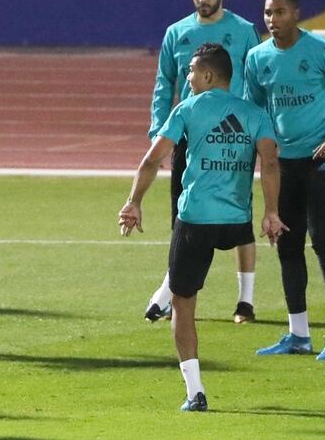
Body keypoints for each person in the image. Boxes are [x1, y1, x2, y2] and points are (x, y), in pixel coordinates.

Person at [119, 43, 287, 411]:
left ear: (208, 75)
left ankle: (195, 392)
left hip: (195, 221)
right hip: (237, 222)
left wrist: (134, 201)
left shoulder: (188, 109)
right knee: (189, 290)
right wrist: (271, 212)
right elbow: (271, 163)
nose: (188, 77)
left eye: (192, 71)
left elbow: (151, 160)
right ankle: (242, 299)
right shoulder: (254, 114)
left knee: (183, 304)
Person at [246, 0, 325, 360]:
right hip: (285, 163)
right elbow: (255, 110)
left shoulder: (321, 49)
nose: (272, 19)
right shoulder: (257, 58)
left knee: (323, 238)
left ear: (296, 13)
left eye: (280, 12)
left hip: (323, 158)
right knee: (287, 242)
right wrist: (264, 149)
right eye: (268, 13)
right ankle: (298, 334)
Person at [146, 0, 262, 324]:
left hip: (232, 138)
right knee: (184, 214)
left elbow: (255, 82)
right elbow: (165, 85)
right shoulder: (177, 33)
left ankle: (246, 301)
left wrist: (259, 133)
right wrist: (158, 134)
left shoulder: (243, 32)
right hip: (189, 137)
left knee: (239, 217)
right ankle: (173, 292)